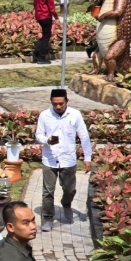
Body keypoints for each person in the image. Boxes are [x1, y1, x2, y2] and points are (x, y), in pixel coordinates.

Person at [35, 88, 92, 232]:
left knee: (69, 189)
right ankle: (48, 218)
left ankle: (66, 204)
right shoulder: (44, 115)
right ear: (51, 102)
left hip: (68, 159)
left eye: (61, 103)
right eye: (55, 104)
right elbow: (38, 135)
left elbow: (84, 136)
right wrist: (47, 140)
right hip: (50, 159)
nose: (58, 107)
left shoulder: (75, 115)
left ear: (67, 101)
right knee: (48, 191)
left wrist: (87, 158)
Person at [32, 0, 59, 65]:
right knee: (46, 36)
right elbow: (51, 5)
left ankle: (36, 52)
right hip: (45, 15)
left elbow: (35, 2)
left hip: (39, 15)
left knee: (45, 35)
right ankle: (41, 57)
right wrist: (56, 17)